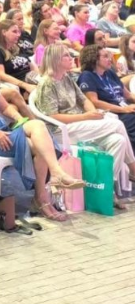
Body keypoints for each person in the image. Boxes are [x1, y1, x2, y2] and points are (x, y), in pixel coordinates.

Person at [0, 45, 85, 222]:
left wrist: (19, 119)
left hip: (2, 129)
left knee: (38, 132)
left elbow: (5, 107)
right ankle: (45, 194)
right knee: (40, 144)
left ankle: (48, 186)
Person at [37, 44, 135, 209]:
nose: (71, 58)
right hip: (60, 130)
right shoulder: (48, 83)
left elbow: (84, 100)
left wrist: (92, 113)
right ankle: (133, 169)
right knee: (117, 123)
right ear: (56, 60)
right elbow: (52, 116)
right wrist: (86, 116)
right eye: (66, 56)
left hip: (80, 124)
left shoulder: (66, 78)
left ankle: (105, 190)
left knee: (119, 140)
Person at [0, 19, 37, 95]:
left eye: (18, 32)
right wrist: (25, 85)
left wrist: (41, 78)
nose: (18, 35)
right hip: (18, 84)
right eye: (14, 32)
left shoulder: (17, 47)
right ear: (4, 32)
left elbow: (31, 65)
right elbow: (0, 74)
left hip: (31, 78)